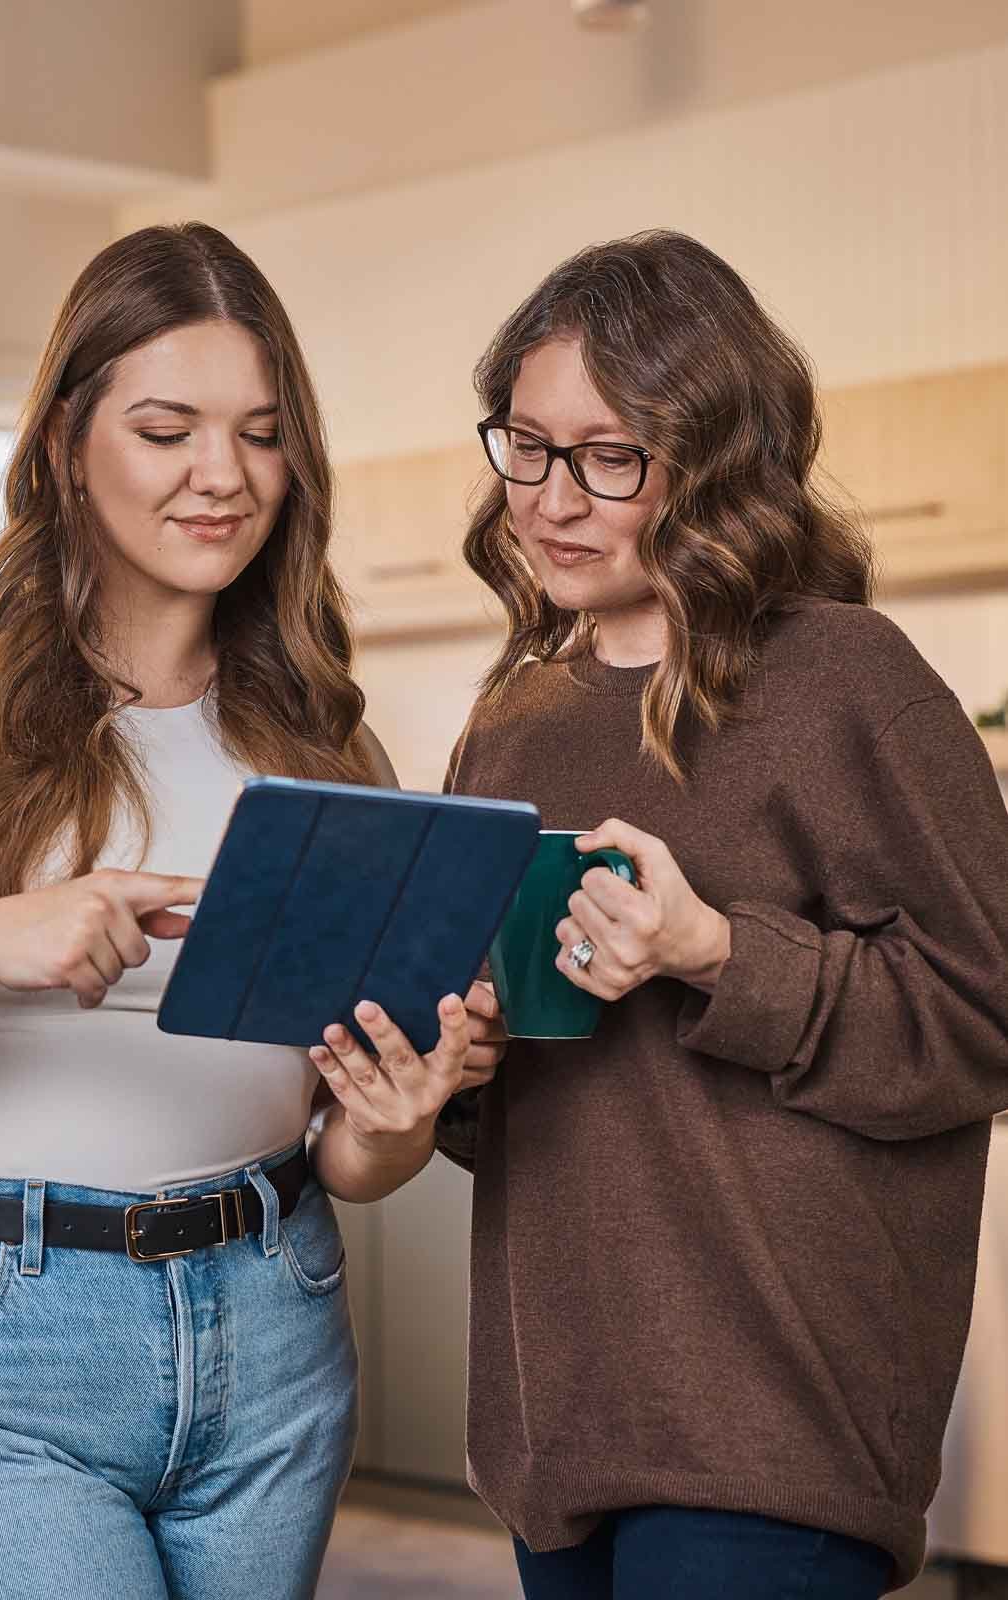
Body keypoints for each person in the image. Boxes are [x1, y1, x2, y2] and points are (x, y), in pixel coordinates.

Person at [0, 221, 504, 1600]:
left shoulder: (326, 747)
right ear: (67, 439)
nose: (223, 476)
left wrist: (399, 1120)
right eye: (167, 429)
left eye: (263, 435)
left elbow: (347, 1154)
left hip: (273, 1318)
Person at [438, 229, 1008, 1599]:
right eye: (527, 445)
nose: (553, 499)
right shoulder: (512, 718)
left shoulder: (844, 681)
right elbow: (512, 1106)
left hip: (777, 1430)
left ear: (714, 459)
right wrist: (457, 1055)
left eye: (609, 457)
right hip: (557, 1425)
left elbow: (988, 1017)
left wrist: (712, 952)